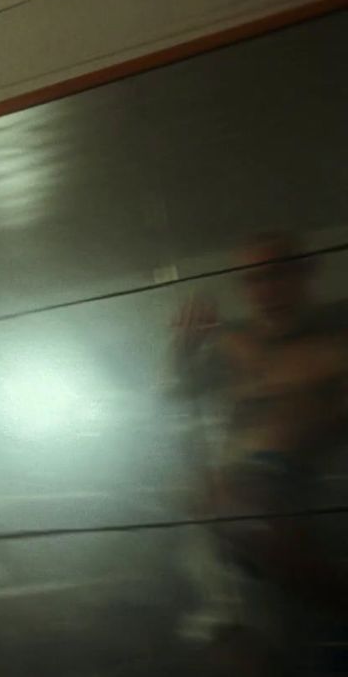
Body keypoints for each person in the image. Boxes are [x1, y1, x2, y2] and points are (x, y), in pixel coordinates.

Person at [170, 233, 348, 675]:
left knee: (279, 639)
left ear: (305, 274)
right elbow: (177, 396)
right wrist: (181, 352)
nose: (265, 291)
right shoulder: (232, 345)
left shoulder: (333, 348)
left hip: (290, 493)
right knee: (244, 643)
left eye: (276, 275)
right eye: (252, 281)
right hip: (226, 508)